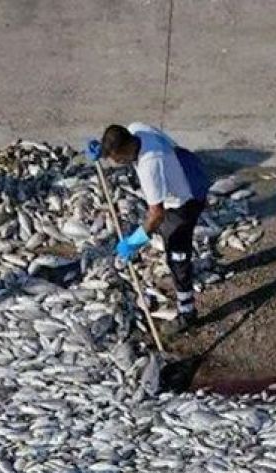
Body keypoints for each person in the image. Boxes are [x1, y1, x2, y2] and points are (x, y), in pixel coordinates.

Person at [86, 123, 210, 331]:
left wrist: (134, 242)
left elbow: (157, 215)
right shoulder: (137, 129)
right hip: (186, 170)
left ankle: (187, 312)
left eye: (116, 158)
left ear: (125, 149)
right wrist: (102, 149)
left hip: (184, 202)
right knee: (171, 243)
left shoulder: (149, 165)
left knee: (177, 257)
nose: (117, 163)